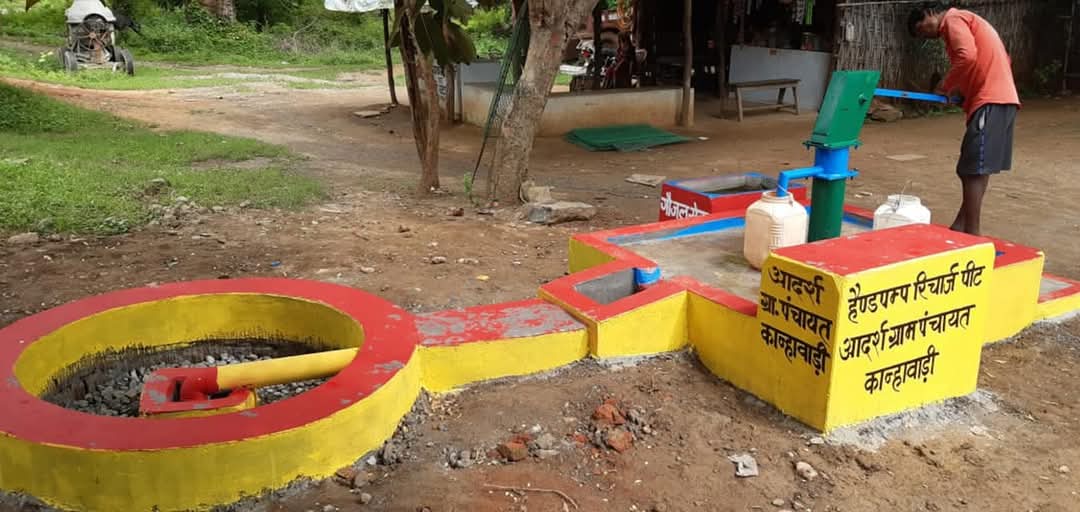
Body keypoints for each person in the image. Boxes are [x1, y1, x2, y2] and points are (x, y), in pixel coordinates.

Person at [907, 2, 1020, 236]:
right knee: (979, 168)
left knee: (970, 170)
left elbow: (967, 57)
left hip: (991, 100)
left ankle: (971, 234)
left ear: (930, 14)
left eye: (921, 28)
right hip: (1001, 99)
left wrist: (945, 85)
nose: (924, 34)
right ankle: (961, 226)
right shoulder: (968, 21)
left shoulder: (953, 20)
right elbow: (998, 60)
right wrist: (965, 91)